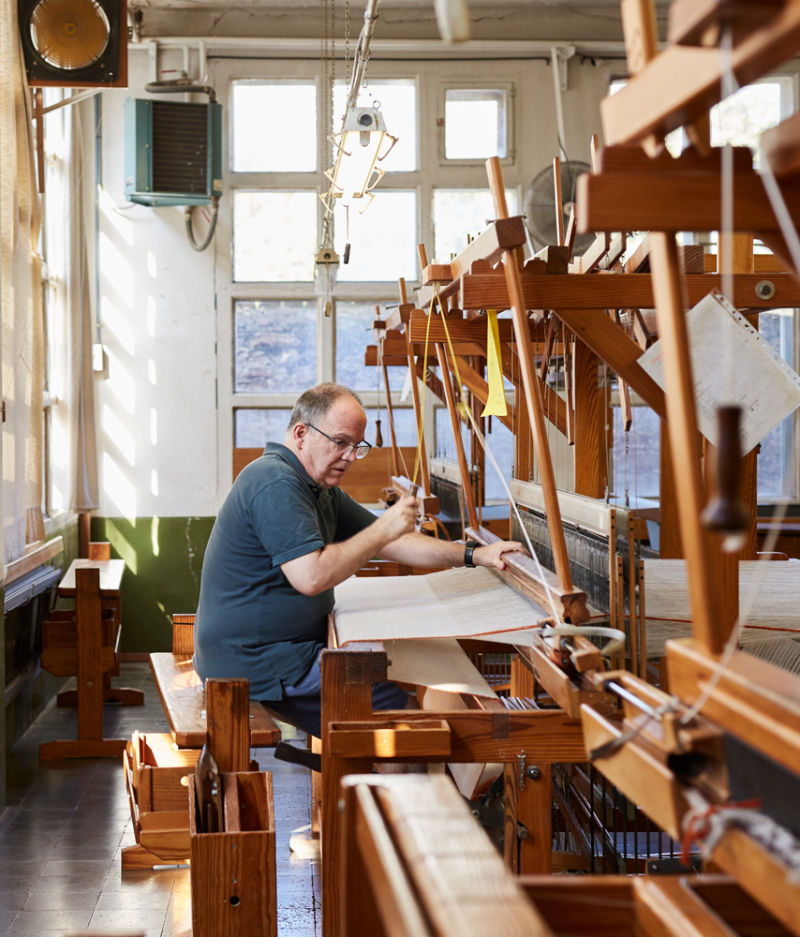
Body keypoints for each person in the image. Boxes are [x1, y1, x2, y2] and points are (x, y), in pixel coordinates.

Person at [194, 382, 522, 738]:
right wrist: (383, 530)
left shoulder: (319, 490)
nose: (350, 456)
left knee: (392, 680)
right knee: (404, 723)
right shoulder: (274, 481)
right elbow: (311, 576)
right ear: (301, 433)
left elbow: (397, 543)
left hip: (280, 652)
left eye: (357, 446)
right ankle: (399, 787)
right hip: (259, 662)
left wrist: (475, 555)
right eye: (341, 442)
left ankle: (379, 786)